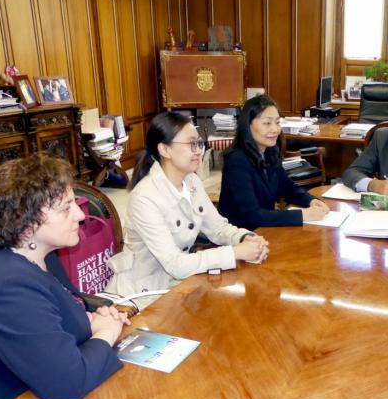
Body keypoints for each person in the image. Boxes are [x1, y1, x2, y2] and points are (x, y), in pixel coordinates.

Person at [0, 154, 129, 399]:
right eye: (65, 208)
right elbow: (68, 383)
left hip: (33, 392)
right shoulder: (8, 286)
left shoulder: (36, 252)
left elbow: (60, 310)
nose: (81, 214)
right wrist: (106, 331)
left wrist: (90, 319)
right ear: (26, 223)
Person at [106, 112, 269, 299]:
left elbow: (218, 228)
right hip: (144, 294)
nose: (199, 150)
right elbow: (175, 264)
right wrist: (234, 252)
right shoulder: (144, 198)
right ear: (165, 150)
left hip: (179, 284)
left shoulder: (191, 181)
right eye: (191, 144)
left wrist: (246, 238)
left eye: (199, 143)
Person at [218, 95, 330, 230]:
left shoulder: (269, 152)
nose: (275, 129)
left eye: (277, 122)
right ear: (248, 125)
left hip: (264, 230)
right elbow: (253, 215)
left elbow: (287, 187)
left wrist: (311, 200)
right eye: (267, 123)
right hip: (241, 236)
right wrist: (303, 215)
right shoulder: (236, 161)